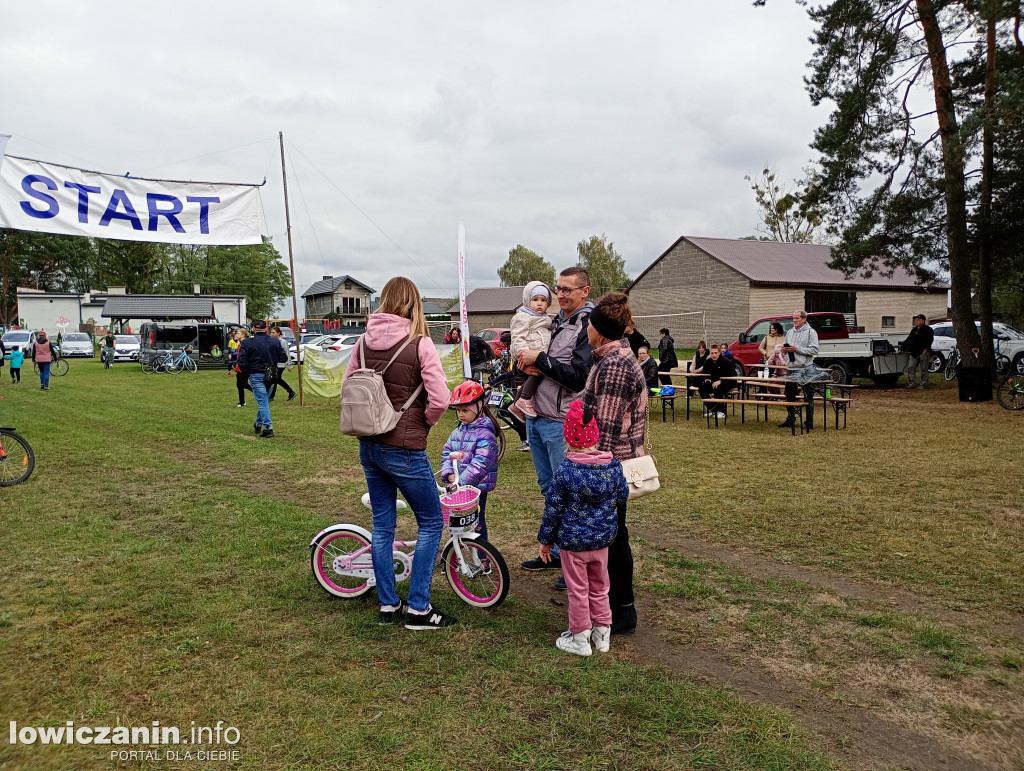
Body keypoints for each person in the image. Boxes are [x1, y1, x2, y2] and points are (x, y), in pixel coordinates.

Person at [341, 276, 456, 630]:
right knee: (432, 522)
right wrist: (424, 423)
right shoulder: (420, 344)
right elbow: (440, 399)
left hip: (369, 445)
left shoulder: (361, 342)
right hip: (404, 448)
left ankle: (389, 605)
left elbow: (348, 387)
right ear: (413, 304)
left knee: (382, 526)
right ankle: (419, 608)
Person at [516, 267, 595, 581]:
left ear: (585, 291)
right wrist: (524, 361)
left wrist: (540, 360)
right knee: (550, 490)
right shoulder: (556, 320)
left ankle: (573, 564)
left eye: (567, 290)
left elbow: (579, 376)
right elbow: (535, 361)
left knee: (572, 495)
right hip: (537, 417)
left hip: (562, 423)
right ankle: (558, 554)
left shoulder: (588, 323)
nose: (560, 295)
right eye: (558, 289)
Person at [538, 401, 629, 656]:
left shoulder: (565, 473)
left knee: (578, 590)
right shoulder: (613, 467)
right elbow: (623, 495)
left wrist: (545, 540)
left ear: (568, 438)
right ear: (595, 435)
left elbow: (552, 510)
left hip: (573, 544)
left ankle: (579, 638)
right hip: (601, 542)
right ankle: (602, 634)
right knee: (601, 587)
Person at [580, 292, 648, 634]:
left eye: (588, 323)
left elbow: (603, 429)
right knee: (612, 534)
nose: (585, 328)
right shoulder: (611, 358)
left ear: (600, 329)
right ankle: (611, 604)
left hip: (610, 466)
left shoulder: (615, 366)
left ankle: (622, 610)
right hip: (611, 465)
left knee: (613, 536)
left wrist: (590, 472)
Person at [441, 380, 500, 543]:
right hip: (457, 487)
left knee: (476, 521)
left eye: (465, 410)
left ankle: (484, 558)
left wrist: (462, 482)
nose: (461, 414)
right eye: (458, 410)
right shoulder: (456, 432)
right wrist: (449, 474)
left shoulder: (485, 435)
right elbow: (447, 452)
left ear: (479, 407)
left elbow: (481, 463)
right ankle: (458, 555)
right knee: (456, 522)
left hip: (475, 488)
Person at [509, 281, 553, 418]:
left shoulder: (544, 318)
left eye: (543, 300)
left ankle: (516, 405)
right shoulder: (523, 317)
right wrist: (524, 354)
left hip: (537, 352)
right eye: (535, 300)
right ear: (527, 301)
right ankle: (524, 399)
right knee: (538, 373)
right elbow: (517, 337)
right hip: (529, 353)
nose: (539, 303)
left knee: (531, 379)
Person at [779, 310, 828, 430]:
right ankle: (791, 418)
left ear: (804, 319)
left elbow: (814, 350)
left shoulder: (811, 332)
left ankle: (809, 422)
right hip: (791, 367)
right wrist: (784, 350)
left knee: (808, 395)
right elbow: (785, 347)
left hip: (804, 368)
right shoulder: (790, 331)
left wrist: (797, 349)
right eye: (793, 318)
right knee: (789, 394)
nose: (794, 320)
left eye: (797, 318)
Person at [237, 319, 286, 438]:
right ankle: (258, 424)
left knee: (263, 401)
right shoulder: (275, 341)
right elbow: (283, 358)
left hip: (256, 373)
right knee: (264, 401)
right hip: (271, 374)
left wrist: (249, 370)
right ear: (266, 329)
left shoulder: (247, 342)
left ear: (253, 329)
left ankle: (268, 428)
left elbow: (241, 361)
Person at [696, 345, 737, 417]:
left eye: (715, 353)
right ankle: (712, 409)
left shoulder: (726, 361)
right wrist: (706, 379)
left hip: (727, 383)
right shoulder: (708, 362)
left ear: (719, 353)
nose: (714, 355)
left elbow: (733, 376)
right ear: (710, 354)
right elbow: (704, 374)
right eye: (712, 353)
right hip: (713, 382)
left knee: (718, 388)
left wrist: (721, 381)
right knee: (701, 388)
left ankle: (722, 411)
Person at [901, 314, 934, 389]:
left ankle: (923, 384)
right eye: (916, 320)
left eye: (918, 320)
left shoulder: (928, 330)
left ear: (923, 321)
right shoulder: (914, 330)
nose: (917, 321)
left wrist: (925, 350)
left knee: (924, 369)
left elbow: (930, 340)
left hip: (923, 352)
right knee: (910, 367)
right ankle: (912, 383)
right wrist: (902, 348)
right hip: (914, 352)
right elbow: (909, 340)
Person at [268, 327, 296, 402]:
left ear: (278, 333)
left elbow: (287, 353)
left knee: (276, 379)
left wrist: (290, 365)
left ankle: (290, 392)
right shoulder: (271, 341)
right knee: (276, 379)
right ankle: (290, 392)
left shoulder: (283, 341)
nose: (272, 334)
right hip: (274, 363)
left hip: (281, 364)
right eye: (271, 332)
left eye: (273, 332)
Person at [232, 329, 252, 407]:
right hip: (239, 366)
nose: (236, 335)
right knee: (239, 385)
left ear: (243, 335)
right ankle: (242, 402)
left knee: (244, 384)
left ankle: (259, 394)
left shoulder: (245, 343)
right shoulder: (240, 343)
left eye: (238, 333)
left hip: (243, 367)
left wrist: (244, 366)